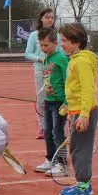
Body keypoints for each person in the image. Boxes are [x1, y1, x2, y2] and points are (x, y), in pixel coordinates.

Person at [57, 22, 98, 195]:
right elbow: (75, 89)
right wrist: (69, 106)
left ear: (76, 42)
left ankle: (83, 187)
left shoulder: (81, 61)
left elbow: (88, 89)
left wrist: (83, 114)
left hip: (85, 112)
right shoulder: (75, 60)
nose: (62, 44)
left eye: (64, 41)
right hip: (79, 110)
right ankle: (83, 183)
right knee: (76, 148)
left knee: (80, 150)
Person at [34, 27, 70, 176]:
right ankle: (51, 159)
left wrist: (66, 102)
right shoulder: (46, 59)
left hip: (59, 102)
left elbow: (68, 80)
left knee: (57, 132)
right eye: (41, 45)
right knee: (48, 132)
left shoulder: (61, 58)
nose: (43, 48)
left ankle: (62, 164)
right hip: (49, 101)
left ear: (55, 43)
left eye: (46, 45)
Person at [24, 9, 62, 140]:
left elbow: (61, 52)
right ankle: (43, 127)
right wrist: (40, 59)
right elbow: (28, 53)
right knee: (41, 100)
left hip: (55, 72)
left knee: (56, 99)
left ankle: (56, 127)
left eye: (52, 17)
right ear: (41, 18)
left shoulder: (57, 35)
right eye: (47, 17)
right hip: (40, 71)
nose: (50, 20)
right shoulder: (34, 35)